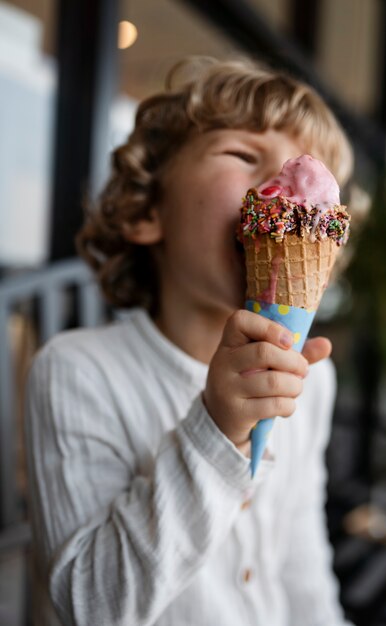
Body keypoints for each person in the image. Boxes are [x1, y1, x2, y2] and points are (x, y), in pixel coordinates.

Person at [25, 57, 355, 626]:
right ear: (147, 210)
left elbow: (302, 566)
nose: (286, 182)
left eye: (308, 167)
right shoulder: (77, 371)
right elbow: (92, 607)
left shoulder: (313, 379)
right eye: (244, 155)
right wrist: (217, 428)